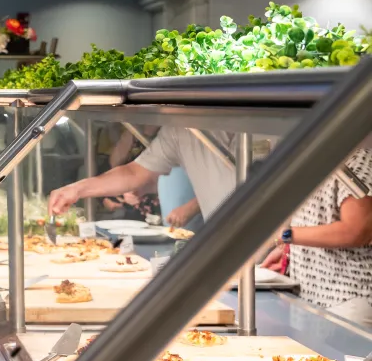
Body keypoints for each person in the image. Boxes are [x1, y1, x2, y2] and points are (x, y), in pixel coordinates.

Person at [261, 148, 372, 313]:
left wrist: (286, 236)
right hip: (313, 297)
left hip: (346, 298)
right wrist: (288, 250)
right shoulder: (320, 160)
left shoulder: (358, 161)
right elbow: (320, 218)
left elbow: (357, 231)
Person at [49, 127, 237, 225]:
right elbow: (134, 172)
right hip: (225, 241)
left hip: (266, 245)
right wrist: (76, 189)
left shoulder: (262, 119)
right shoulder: (180, 130)